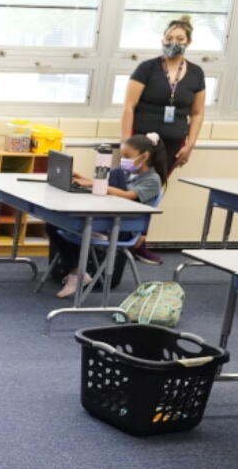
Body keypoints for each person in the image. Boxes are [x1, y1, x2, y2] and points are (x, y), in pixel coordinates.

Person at [120, 15, 206, 265]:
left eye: (179, 39)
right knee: (130, 189)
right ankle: (123, 239)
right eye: (169, 38)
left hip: (172, 144)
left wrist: (190, 145)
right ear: (162, 40)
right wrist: (127, 143)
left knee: (154, 191)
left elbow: (198, 113)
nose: (173, 43)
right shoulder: (147, 68)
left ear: (188, 42)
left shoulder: (196, 73)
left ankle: (139, 242)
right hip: (141, 143)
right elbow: (129, 106)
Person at [47, 134, 168, 298]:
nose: (123, 160)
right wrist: (79, 177)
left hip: (123, 227)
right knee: (55, 224)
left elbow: (128, 195)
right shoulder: (122, 172)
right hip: (106, 218)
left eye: (127, 156)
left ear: (144, 156)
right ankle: (77, 272)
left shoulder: (152, 180)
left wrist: (94, 184)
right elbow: (103, 184)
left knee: (70, 227)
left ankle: (77, 274)